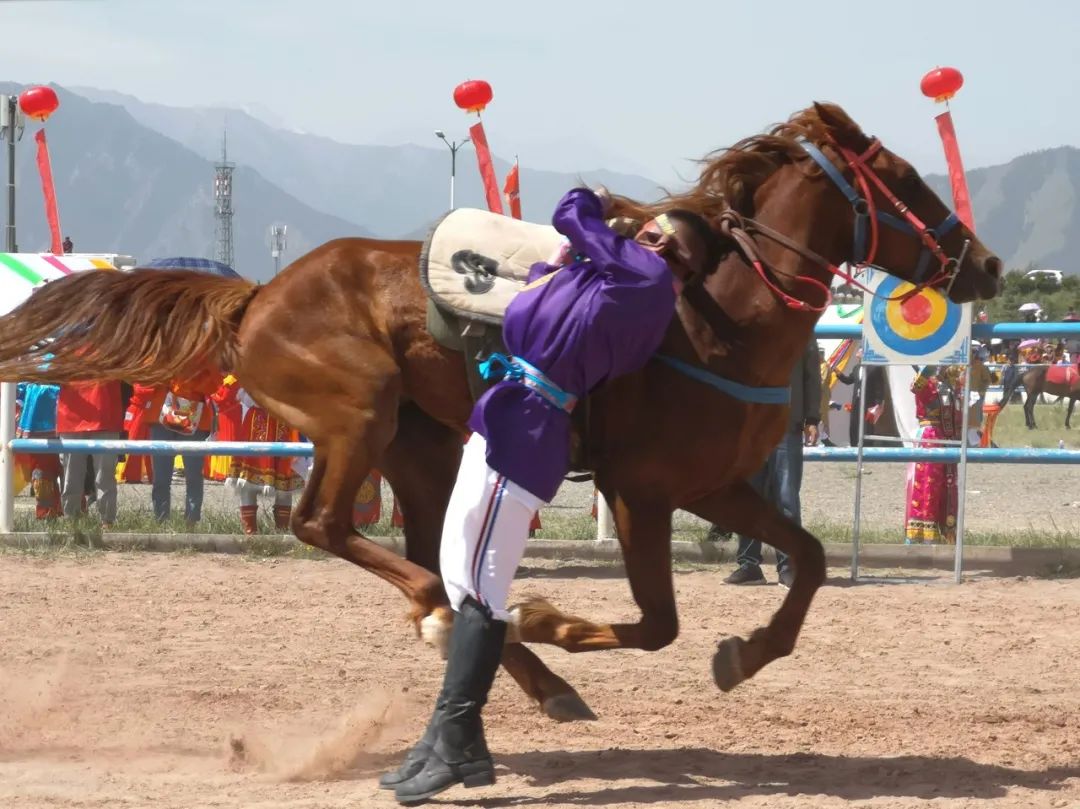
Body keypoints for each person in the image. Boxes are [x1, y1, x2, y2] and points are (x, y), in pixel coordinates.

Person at [381, 187, 721, 804]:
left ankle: (458, 740)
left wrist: (595, 198)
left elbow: (570, 211)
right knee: (460, 583)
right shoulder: (630, 286)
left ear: (669, 250)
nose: (641, 236)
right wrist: (558, 271)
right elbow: (530, 314)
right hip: (507, 418)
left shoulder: (642, 274)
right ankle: (448, 739)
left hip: (524, 433)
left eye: (652, 233)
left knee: (479, 588)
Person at [721, 339, 821, 588]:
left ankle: (788, 565)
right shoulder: (748, 327)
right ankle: (748, 564)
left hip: (787, 425)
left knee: (786, 498)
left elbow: (811, 375)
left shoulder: (801, 329)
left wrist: (812, 417)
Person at [136, 368, 223, 525]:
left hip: (195, 418)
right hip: (160, 417)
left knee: (194, 476)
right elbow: (140, 382)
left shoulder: (201, 351)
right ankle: (161, 522)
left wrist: (186, 382)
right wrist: (165, 376)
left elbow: (216, 384)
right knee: (161, 477)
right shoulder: (158, 349)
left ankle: (191, 523)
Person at [905, 365, 963, 544]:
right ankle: (923, 533)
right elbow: (916, 387)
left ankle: (945, 530)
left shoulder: (950, 385)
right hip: (930, 435)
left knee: (947, 485)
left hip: (947, 437)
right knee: (927, 484)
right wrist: (926, 372)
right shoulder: (926, 383)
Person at [57, 380, 123, 526]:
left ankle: (108, 522)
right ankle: (71, 522)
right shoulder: (65, 355)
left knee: (105, 474)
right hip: (71, 417)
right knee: (71, 475)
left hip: (105, 414)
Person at [14, 382, 61, 519]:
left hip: (67, 405)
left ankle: (73, 512)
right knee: (42, 471)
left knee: (71, 470)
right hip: (36, 412)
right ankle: (45, 513)